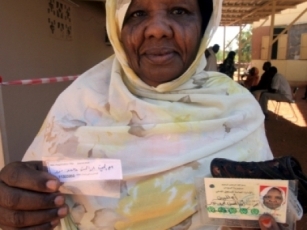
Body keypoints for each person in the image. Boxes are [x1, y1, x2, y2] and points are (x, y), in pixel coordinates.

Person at [0, 0, 289, 229]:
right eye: (137, 14)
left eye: (179, 10)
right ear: (117, 28)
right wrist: (18, 206)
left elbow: (267, 205)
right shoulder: (79, 104)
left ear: (204, 24)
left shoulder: (237, 109)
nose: (157, 30)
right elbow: (37, 198)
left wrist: (273, 222)